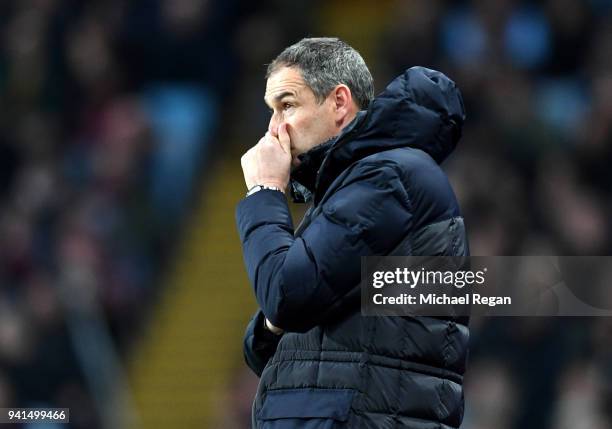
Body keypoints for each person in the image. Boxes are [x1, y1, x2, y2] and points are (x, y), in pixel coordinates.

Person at [236, 37, 469, 428]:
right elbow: (271, 352)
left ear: (339, 103)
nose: (274, 129)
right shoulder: (351, 189)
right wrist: (274, 322)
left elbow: (284, 296)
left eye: (287, 105)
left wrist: (264, 192)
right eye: (271, 111)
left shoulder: (389, 176)